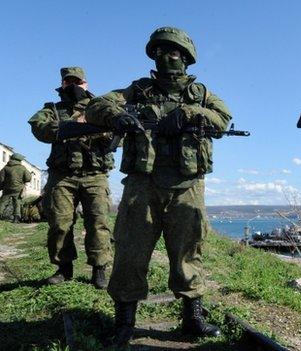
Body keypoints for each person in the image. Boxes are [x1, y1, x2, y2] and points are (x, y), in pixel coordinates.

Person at [86, 27, 231, 346]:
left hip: (186, 185)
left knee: (188, 251)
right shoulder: (137, 91)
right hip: (142, 184)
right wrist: (116, 117)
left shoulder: (201, 94)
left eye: (174, 52)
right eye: (160, 51)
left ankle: (192, 318)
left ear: (187, 58)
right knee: (130, 251)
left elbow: (223, 120)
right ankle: (124, 321)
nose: (167, 57)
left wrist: (188, 113)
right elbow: (95, 106)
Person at [28, 67, 114, 289]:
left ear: (85, 83)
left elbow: (119, 135)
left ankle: (99, 269)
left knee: (98, 222)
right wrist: (71, 127)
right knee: (60, 223)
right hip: (62, 176)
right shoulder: (53, 110)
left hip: (95, 175)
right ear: (62, 84)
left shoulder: (100, 107)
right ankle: (63, 269)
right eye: (69, 82)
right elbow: (39, 127)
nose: (74, 86)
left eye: (78, 81)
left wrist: (101, 130)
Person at [0, 153, 32, 223]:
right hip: (18, 189)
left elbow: (1, 179)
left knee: (2, 202)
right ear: (19, 160)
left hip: (7, 189)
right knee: (17, 203)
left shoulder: (5, 168)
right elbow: (28, 178)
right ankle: (16, 219)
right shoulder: (22, 168)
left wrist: (1, 187)